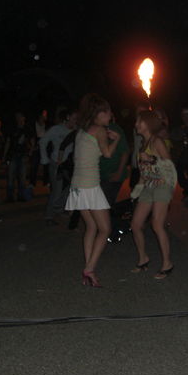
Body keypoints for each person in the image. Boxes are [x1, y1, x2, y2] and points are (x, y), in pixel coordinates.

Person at [65, 94, 120, 287]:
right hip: (89, 185)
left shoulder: (82, 131)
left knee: (91, 227)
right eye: (108, 112)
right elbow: (107, 154)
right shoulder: (99, 130)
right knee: (105, 229)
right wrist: (116, 139)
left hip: (77, 185)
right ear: (100, 113)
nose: (111, 115)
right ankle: (89, 269)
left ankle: (88, 270)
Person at [129, 110, 177, 279]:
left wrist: (151, 159)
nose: (136, 124)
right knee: (135, 224)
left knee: (157, 224)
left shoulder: (157, 141)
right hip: (148, 186)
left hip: (162, 185)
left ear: (147, 124)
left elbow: (169, 165)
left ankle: (167, 263)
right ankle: (143, 259)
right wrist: (136, 191)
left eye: (139, 121)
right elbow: (144, 172)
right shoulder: (143, 144)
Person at [40, 108, 78, 225]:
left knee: (72, 188)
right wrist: (44, 159)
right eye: (74, 118)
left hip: (70, 165)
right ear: (68, 117)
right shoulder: (56, 129)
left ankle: (59, 208)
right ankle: (49, 216)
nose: (76, 121)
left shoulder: (76, 130)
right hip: (57, 163)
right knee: (56, 190)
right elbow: (43, 141)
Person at [4, 112, 34, 202]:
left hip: (23, 155)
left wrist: (30, 152)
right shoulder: (13, 128)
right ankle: (10, 196)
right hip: (13, 154)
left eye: (20, 117)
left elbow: (32, 141)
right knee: (10, 176)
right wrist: (5, 155)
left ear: (24, 118)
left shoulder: (27, 129)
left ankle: (21, 195)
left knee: (22, 177)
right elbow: (8, 141)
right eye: (17, 117)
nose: (18, 119)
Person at [99, 114, 129, 206]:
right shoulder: (92, 129)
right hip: (98, 175)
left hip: (111, 175)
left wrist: (119, 172)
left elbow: (125, 152)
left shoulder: (114, 129)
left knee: (103, 205)